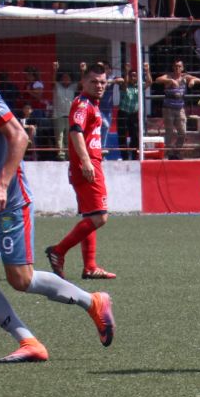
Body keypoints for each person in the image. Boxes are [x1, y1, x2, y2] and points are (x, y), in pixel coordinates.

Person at [0, 82, 114, 362]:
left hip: (8, 198)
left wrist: (1, 184)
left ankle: (92, 301)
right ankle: (28, 341)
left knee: (21, 279)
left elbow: (19, 137)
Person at [46, 63, 117, 280]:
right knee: (100, 217)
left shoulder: (92, 104)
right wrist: (86, 161)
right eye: (94, 81)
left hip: (89, 163)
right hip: (87, 165)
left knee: (91, 215)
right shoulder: (82, 104)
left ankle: (90, 266)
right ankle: (58, 251)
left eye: (103, 82)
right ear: (83, 82)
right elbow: (75, 132)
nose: (99, 86)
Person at [153, 59, 200, 159]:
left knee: (183, 131)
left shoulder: (185, 76)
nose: (177, 68)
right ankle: (169, 153)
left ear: (182, 68)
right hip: (168, 108)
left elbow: (199, 79)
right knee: (169, 131)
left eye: (179, 66)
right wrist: (170, 81)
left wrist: (193, 80)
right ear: (173, 67)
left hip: (180, 107)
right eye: (175, 66)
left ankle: (176, 151)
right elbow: (157, 80)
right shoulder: (168, 76)